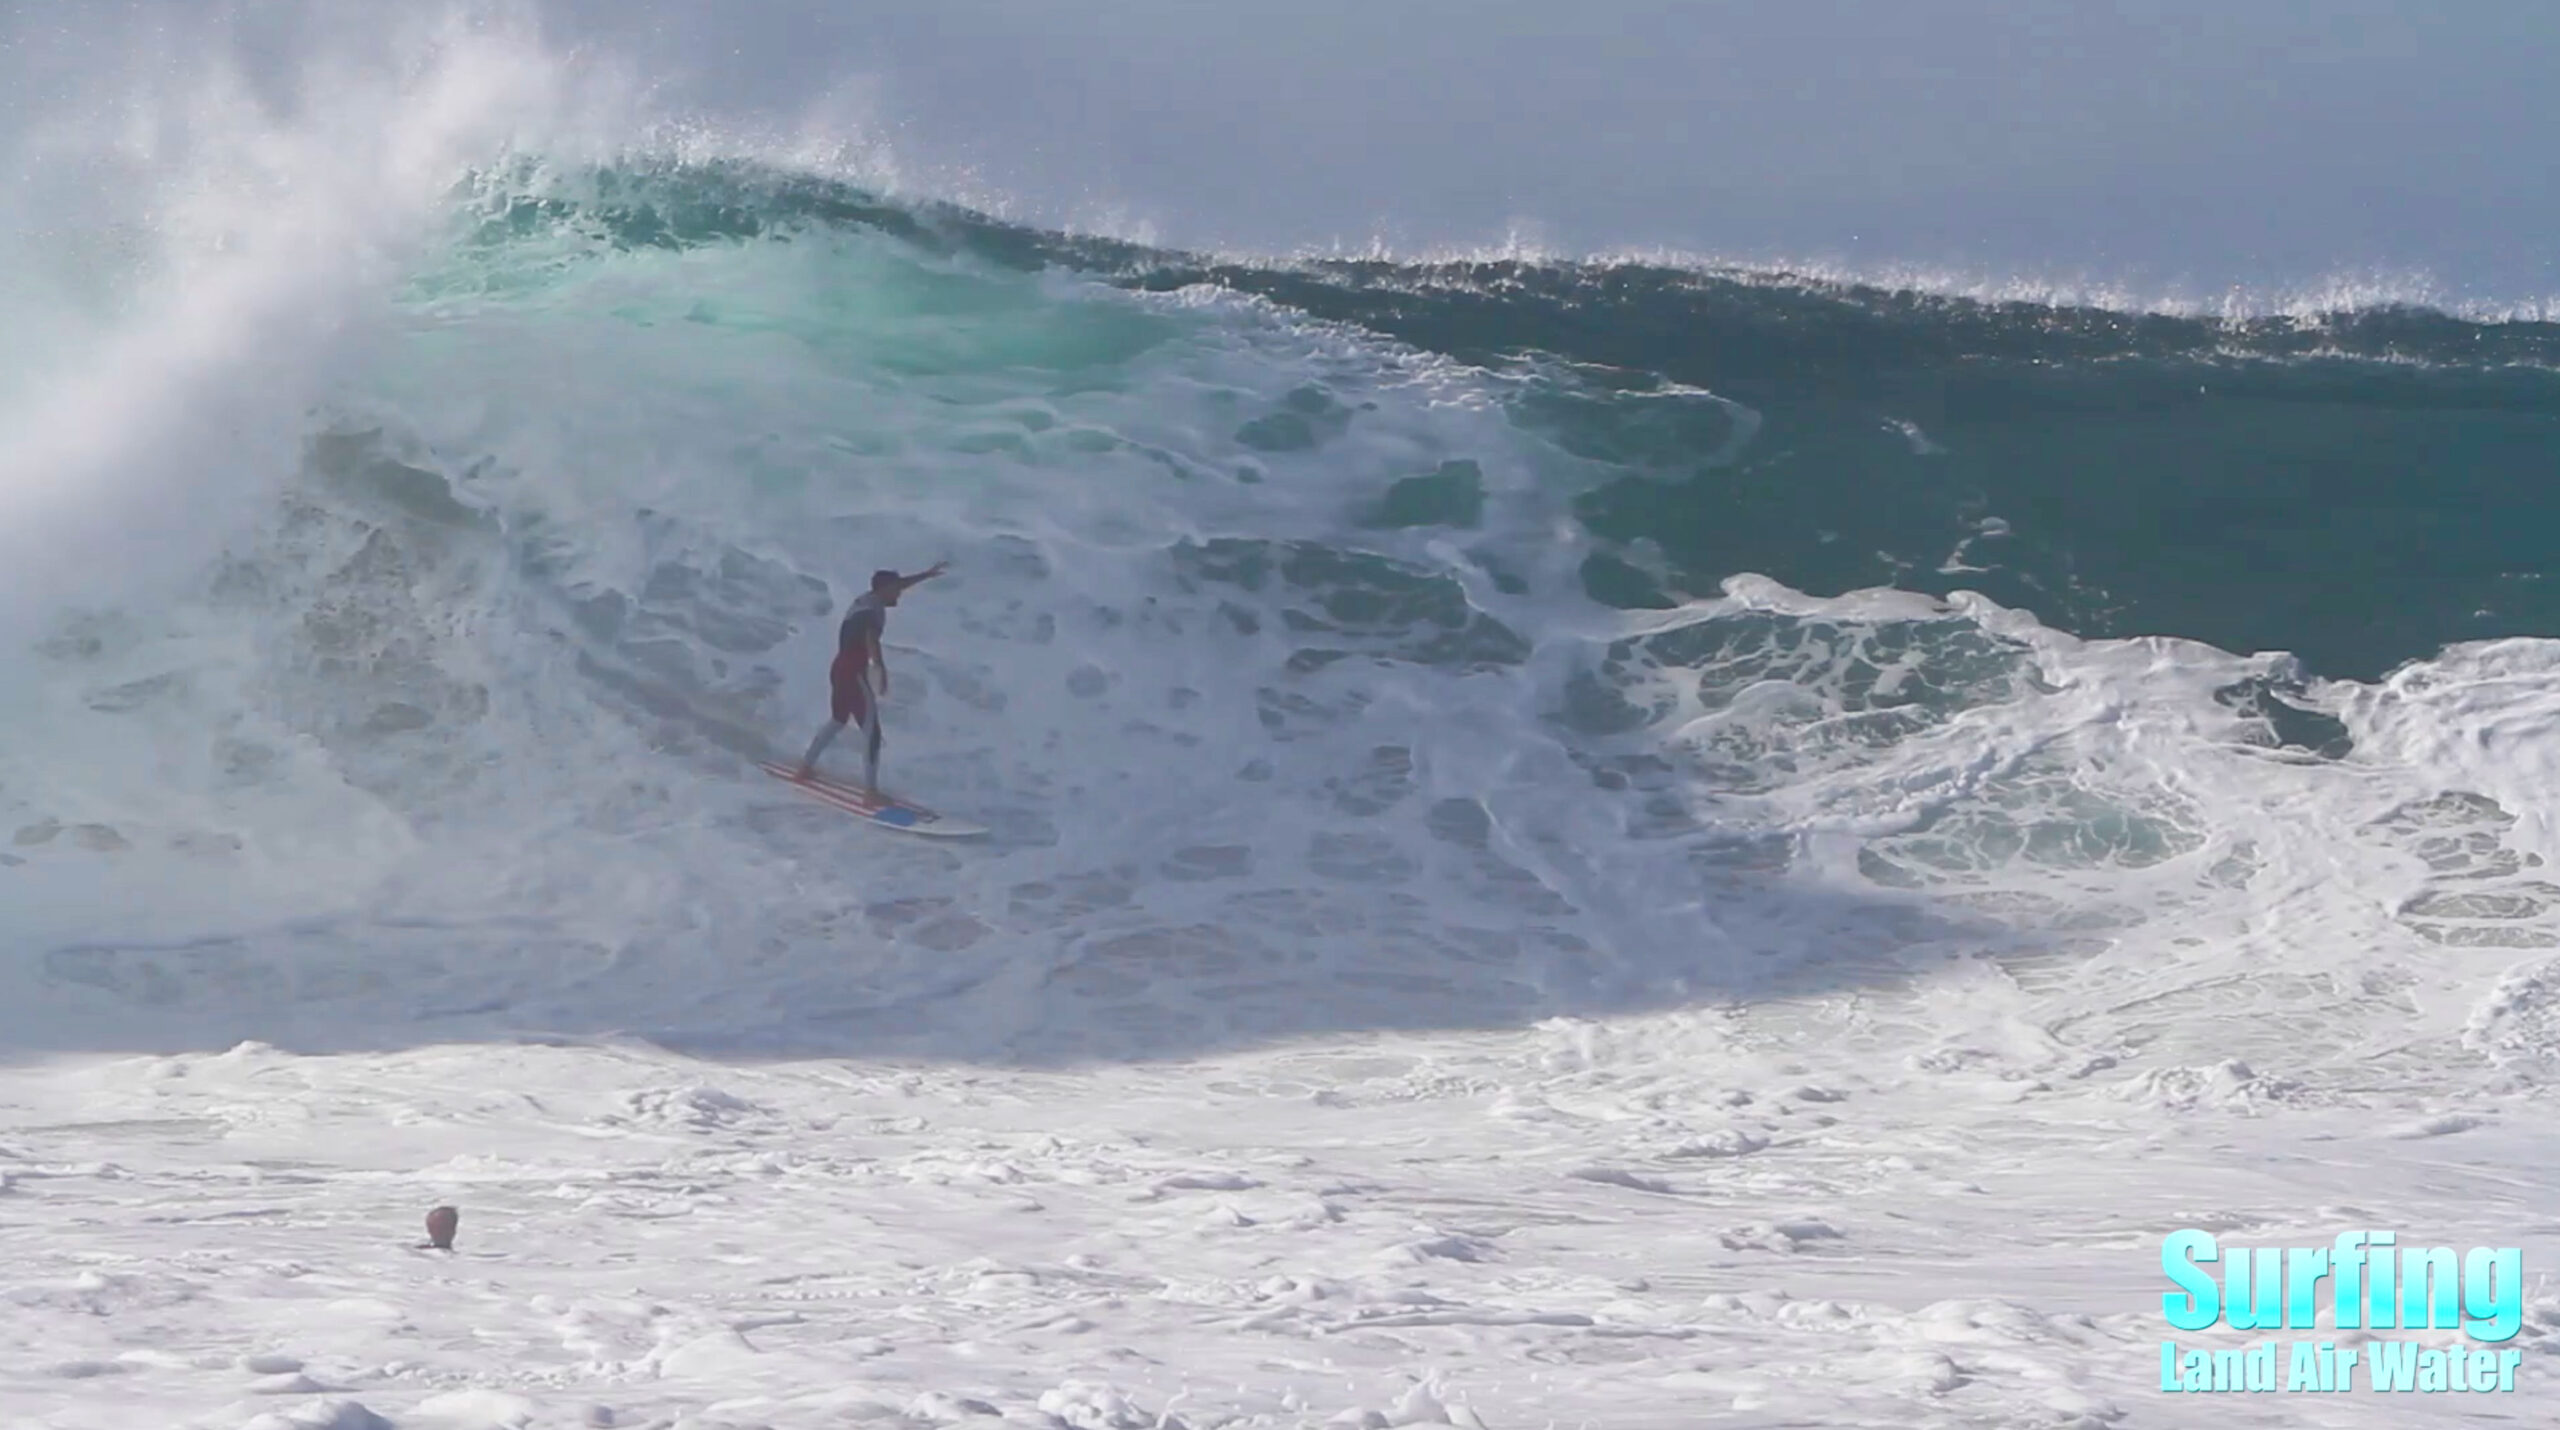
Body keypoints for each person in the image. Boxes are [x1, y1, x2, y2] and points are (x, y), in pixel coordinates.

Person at [798, 561, 947, 791]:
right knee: (872, 733)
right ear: (885, 589)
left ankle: (804, 769)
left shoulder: (867, 600)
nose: (899, 593)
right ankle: (870, 793)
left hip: (839, 668)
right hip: (852, 673)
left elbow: (898, 585)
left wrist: (926, 575)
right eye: (895, 589)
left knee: (838, 720)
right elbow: (870, 638)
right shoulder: (873, 612)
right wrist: (880, 668)